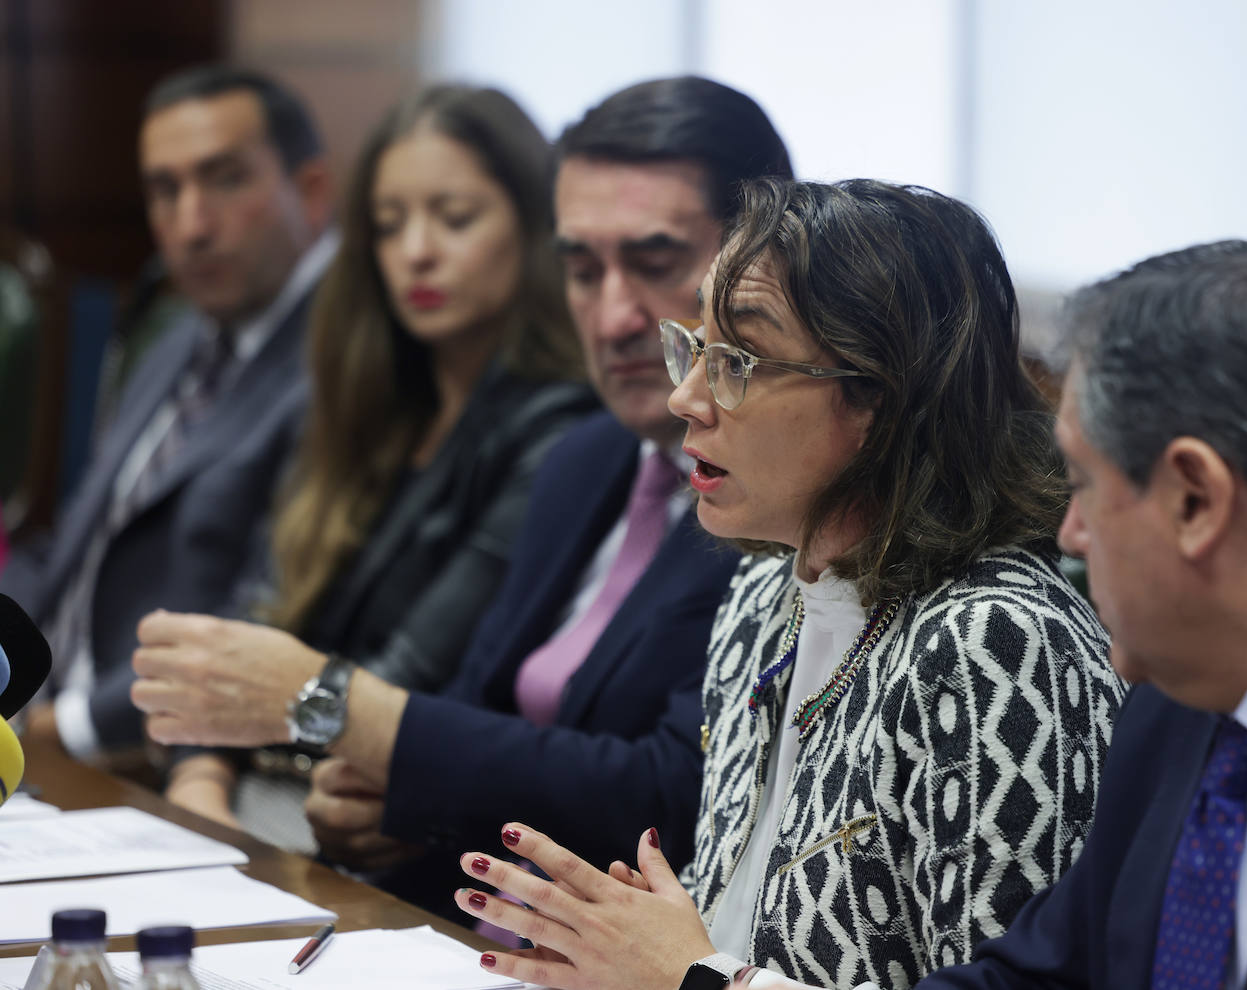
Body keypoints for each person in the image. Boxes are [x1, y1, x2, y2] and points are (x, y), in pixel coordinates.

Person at [129, 76, 792, 915]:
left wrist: (340, 709)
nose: (616, 314)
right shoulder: (589, 456)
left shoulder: (779, 491)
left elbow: (674, 794)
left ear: (764, 263)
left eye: (655, 263)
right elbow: (471, 702)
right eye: (583, 269)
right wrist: (395, 809)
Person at [449, 179, 1123, 989]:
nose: (685, 398)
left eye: (736, 362)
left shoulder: (1000, 645)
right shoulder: (758, 600)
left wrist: (686, 975)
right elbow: (737, 943)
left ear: (878, 396)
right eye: (694, 347)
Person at [910, 241, 1247, 990]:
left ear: (1195, 499)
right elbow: (1045, 979)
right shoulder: (1173, 710)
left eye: (1082, 482)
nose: (1070, 534)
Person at [158, 83, 598, 848]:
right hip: (243, 794)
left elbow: (410, 679)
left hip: (359, 813)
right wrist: (200, 775)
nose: (416, 251)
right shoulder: (370, 398)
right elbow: (252, 615)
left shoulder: (562, 429)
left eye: (454, 218)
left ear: (533, 228)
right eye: (389, 227)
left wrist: (251, 729)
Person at [2, 65, 335, 760]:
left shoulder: (343, 365)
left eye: (224, 179)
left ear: (311, 191)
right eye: (165, 189)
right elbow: (75, 543)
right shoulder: (181, 333)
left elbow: (265, 618)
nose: (190, 225)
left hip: (140, 753)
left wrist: (57, 730)